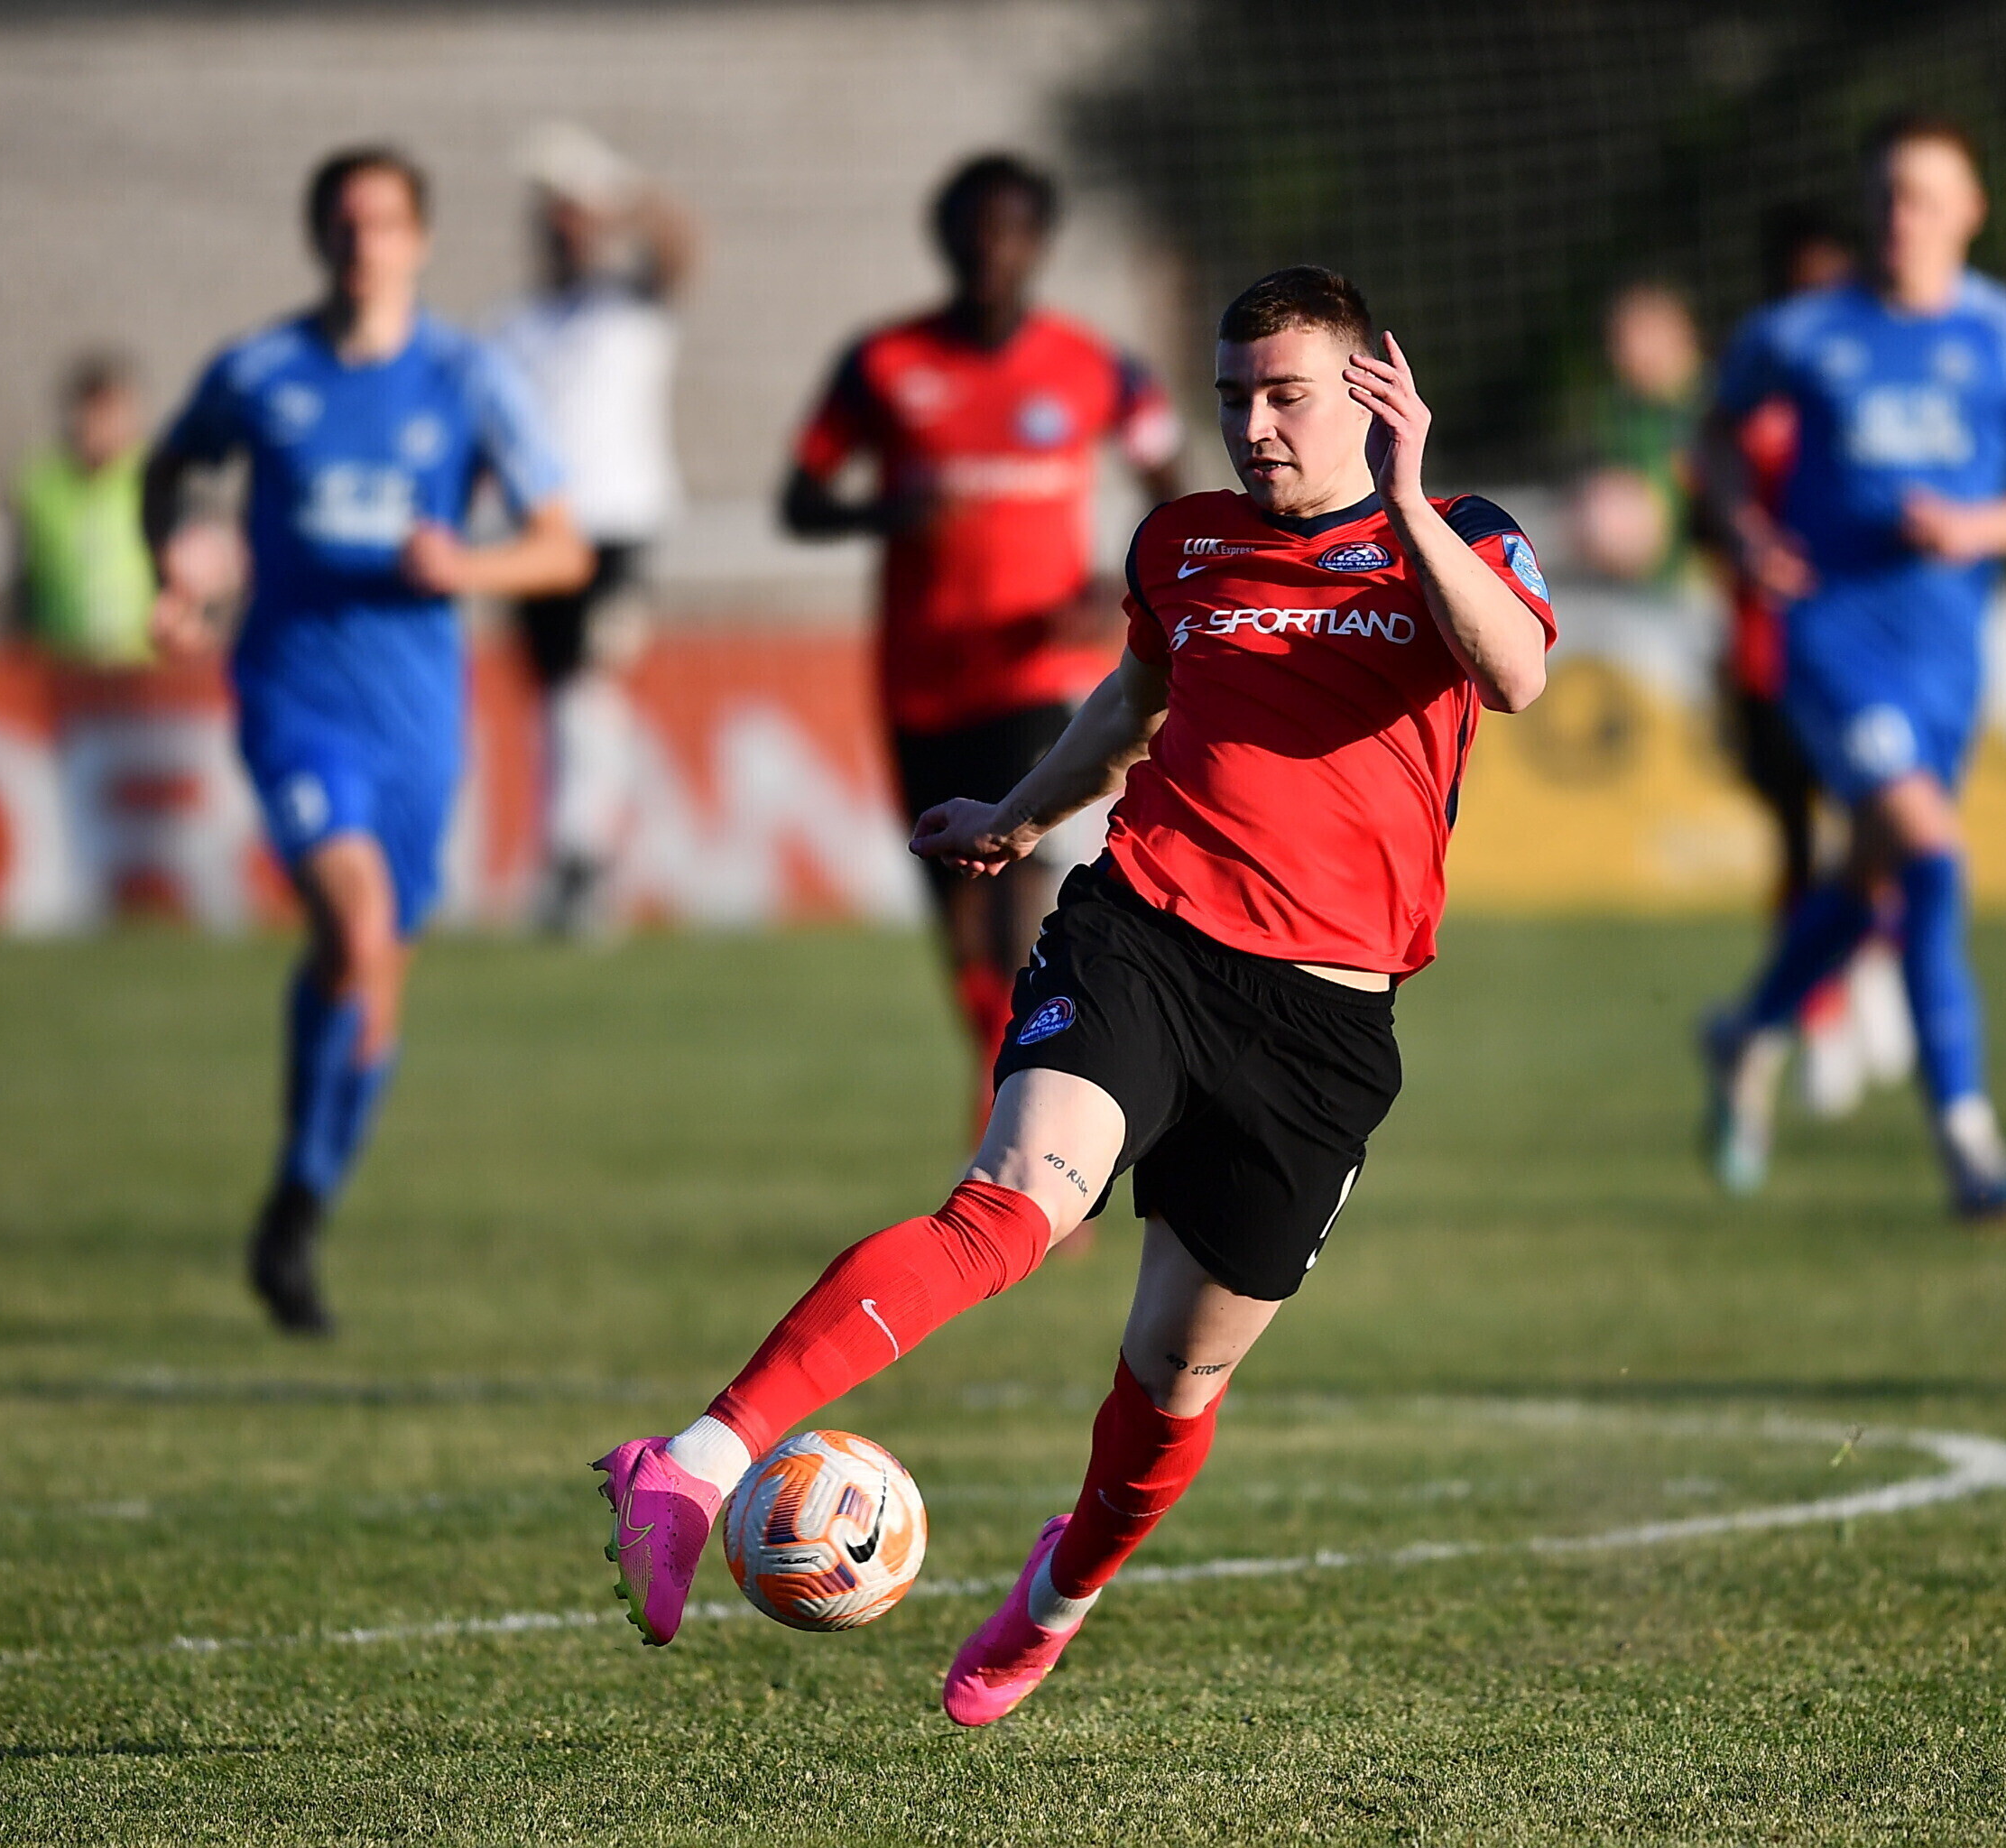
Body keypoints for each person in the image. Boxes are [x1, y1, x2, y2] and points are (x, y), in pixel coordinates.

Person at [598, 265, 1553, 1725]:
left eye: (1286, 397)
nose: (1254, 428)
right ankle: (691, 1467)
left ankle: (1055, 1596)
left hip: (1321, 1026)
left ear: (1369, 394)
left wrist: (1411, 503)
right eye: (1233, 398)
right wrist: (1018, 814)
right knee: (1009, 1207)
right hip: (1144, 935)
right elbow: (1131, 703)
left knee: (1170, 1385)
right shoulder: (1182, 543)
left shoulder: (1465, 537)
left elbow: (1516, 675)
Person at [143, 145, 590, 1333]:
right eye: (344, 222)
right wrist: (176, 565)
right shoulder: (259, 371)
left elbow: (564, 548)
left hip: (418, 719)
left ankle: (300, 1202)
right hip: (293, 696)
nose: (363, 242)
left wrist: (468, 566)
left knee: (373, 976)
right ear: (319, 237)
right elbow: (173, 468)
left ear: (419, 240)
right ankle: (295, 1213)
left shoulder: (467, 378)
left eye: (384, 221)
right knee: (353, 921)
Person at [1694, 115, 2006, 1219]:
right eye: (1885, 196)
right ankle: (1968, 1138)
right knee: (1933, 854)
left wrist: (1979, 527)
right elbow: (1716, 439)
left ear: (1972, 210)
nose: (1900, 217)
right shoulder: (1801, 332)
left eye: (1923, 196)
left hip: (1946, 654)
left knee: (1873, 879)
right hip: (1831, 639)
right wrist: (1745, 530)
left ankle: (1748, 1031)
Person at [780, 152, 1183, 1116]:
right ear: (944, 238)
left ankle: (1023, 1118)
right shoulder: (882, 365)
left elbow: (1172, 493)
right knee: (957, 911)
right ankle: (997, 1071)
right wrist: (887, 514)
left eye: (1009, 229)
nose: (989, 247)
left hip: (1039, 673)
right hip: (921, 674)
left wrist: (1120, 583)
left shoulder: (1098, 368)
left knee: (1019, 881)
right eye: (972, 227)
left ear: (1038, 244)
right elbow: (801, 500)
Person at [1703, 206, 1913, 1123]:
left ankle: (1873, 967)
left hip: (1864, 653)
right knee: (1799, 843)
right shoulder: (1750, 405)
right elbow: (1706, 517)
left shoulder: (1878, 393)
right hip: (1771, 661)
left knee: (1883, 828)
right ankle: (1818, 1016)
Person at [489, 123, 698, 937]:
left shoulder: (630, 308)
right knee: (556, 698)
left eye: (577, 220)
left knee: (589, 681)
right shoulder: (515, 326)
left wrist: (618, 190)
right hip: (539, 531)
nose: (567, 233)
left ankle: (586, 856)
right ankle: (571, 856)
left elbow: (680, 249)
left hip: (619, 528)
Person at [6, 349, 159, 668]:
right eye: (93, 411)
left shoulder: (155, 477)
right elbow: (21, 583)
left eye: (111, 411)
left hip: (141, 669)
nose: (101, 425)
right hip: (60, 668)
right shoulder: (41, 484)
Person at [1570, 278, 1706, 598]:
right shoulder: (1622, 411)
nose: (1626, 353)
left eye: (1640, 338)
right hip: (1648, 580)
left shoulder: (1714, 403)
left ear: (1678, 335)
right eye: (1619, 342)